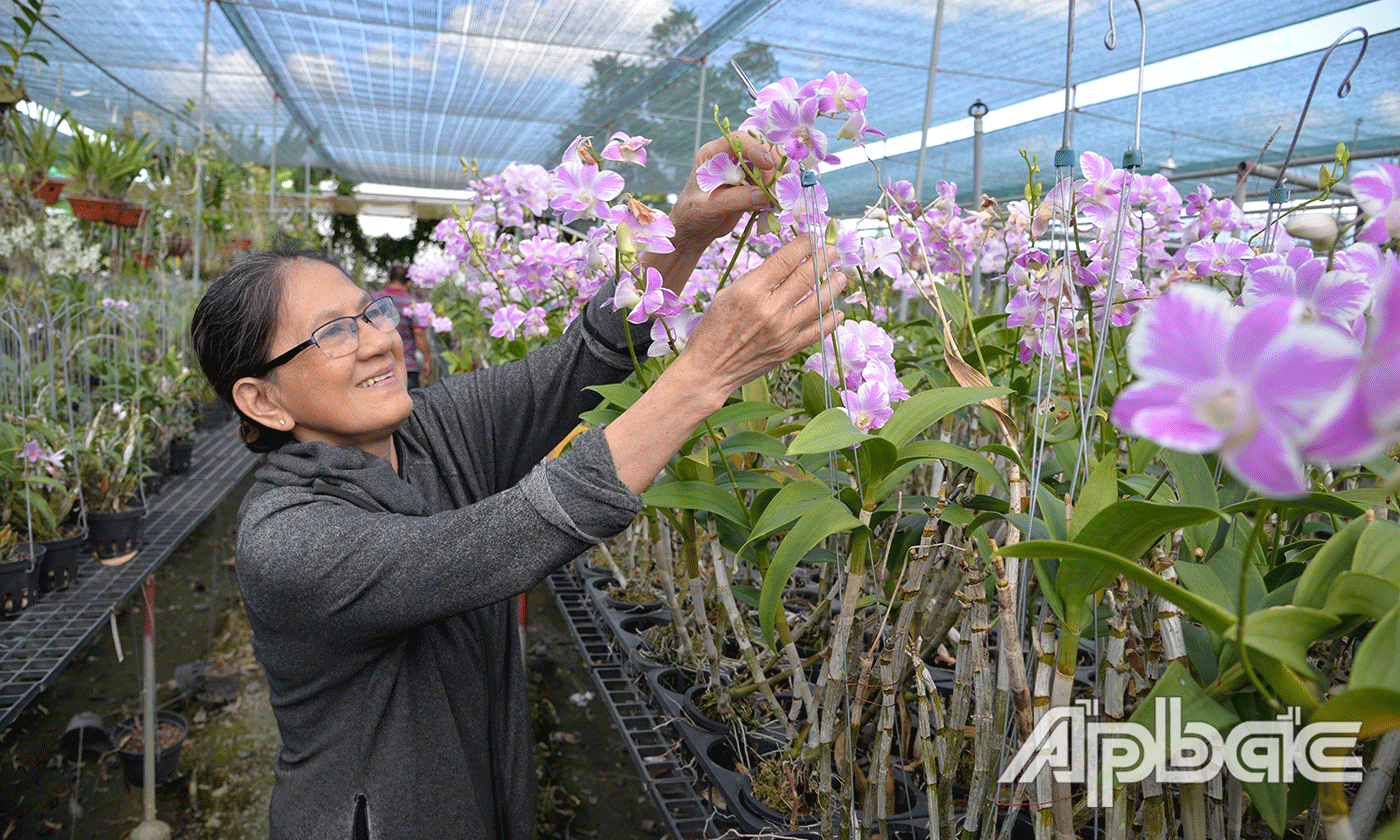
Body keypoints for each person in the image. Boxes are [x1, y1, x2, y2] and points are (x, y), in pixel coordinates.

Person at [188, 134, 846, 840]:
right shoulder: (287, 539)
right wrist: (705, 373)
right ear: (262, 401)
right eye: (334, 334)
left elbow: (583, 358)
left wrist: (682, 234)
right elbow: (510, 536)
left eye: (372, 310)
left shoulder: (430, 428)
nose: (381, 338)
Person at [381, 265, 431, 389]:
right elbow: (419, 333)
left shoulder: (372, 299)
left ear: (388, 280)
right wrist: (427, 360)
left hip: (378, 367)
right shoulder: (413, 303)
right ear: (408, 283)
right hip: (407, 367)